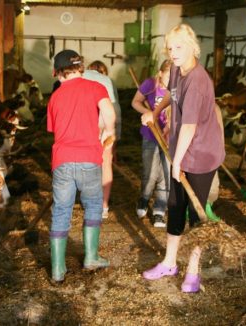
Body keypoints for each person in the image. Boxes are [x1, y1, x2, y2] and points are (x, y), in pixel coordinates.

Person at [140, 24, 225, 293]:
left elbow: (189, 126)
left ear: (192, 47)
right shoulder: (177, 68)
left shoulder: (198, 82)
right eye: (170, 48)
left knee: (196, 215)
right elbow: (170, 96)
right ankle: (169, 263)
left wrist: (177, 163)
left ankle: (193, 271)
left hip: (201, 155)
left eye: (178, 47)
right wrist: (156, 111)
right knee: (175, 207)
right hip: (181, 149)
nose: (173, 53)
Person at [46, 50, 117, 283]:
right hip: (89, 157)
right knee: (94, 205)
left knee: (61, 211)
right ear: (81, 68)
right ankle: (91, 257)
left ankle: (57, 269)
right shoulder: (96, 88)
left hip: (63, 160)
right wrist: (109, 134)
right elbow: (109, 113)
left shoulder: (55, 96)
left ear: (57, 73)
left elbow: (55, 130)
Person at [131, 59, 172, 227]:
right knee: (151, 173)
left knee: (166, 174)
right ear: (161, 73)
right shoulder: (150, 84)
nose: (172, 80)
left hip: (169, 137)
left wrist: (169, 127)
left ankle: (160, 209)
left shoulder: (178, 88)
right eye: (169, 75)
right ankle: (144, 198)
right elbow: (135, 102)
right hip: (150, 136)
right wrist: (149, 113)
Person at [83, 60, 122, 219]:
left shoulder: (82, 77)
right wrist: (115, 138)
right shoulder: (108, 81)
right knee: (106, 163)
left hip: (88, 123)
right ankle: (104, 206)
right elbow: (115, 110)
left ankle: (90, 204)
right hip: (107, 121)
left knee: (87, 164)